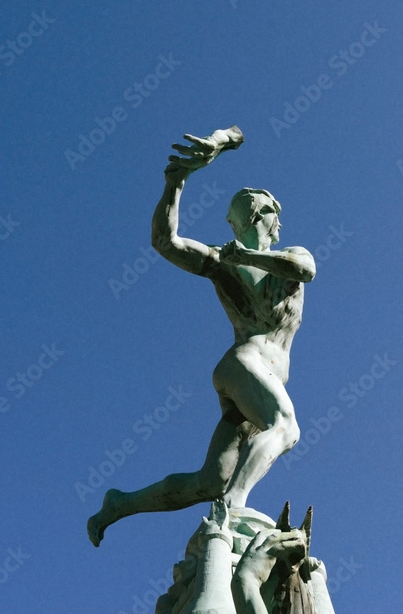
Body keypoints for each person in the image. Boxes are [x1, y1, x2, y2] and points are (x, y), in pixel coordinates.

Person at [87, 129, 315, 548]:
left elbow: (304, 270)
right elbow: (165, 242)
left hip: (256, 380)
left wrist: (246, 255)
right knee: (285, 427)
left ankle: (120, 503)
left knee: (210, 480)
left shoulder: (289, 255)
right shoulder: (221, 261)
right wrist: (176, 181)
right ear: (258, 215)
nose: (280, 221)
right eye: (273, 212)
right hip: (245, 364)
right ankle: (232, 510)